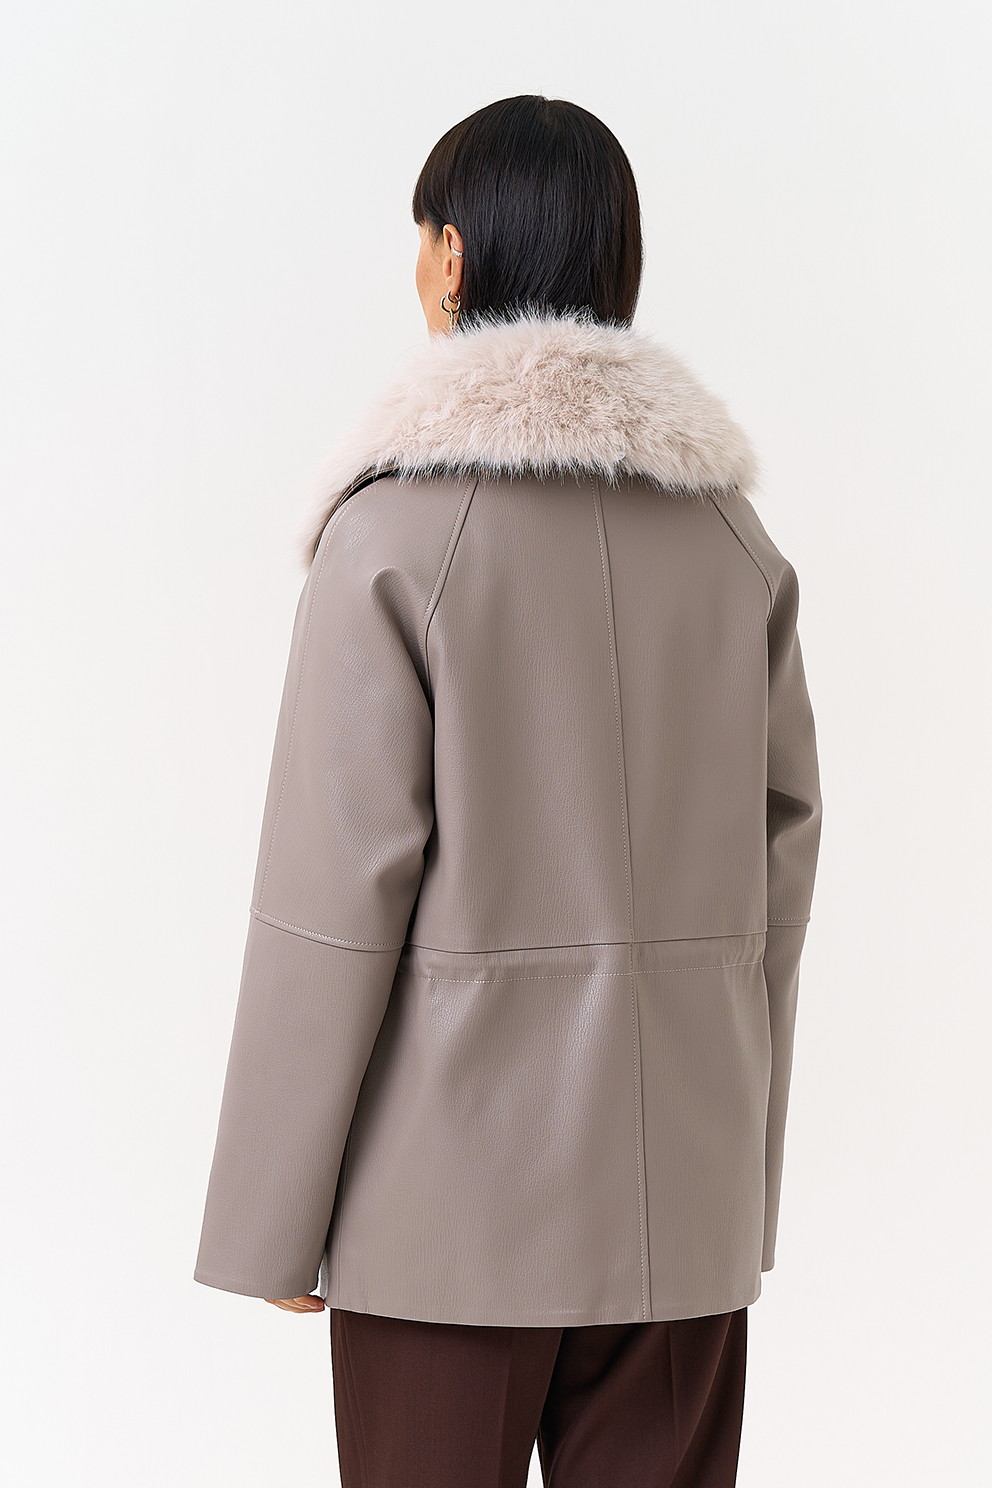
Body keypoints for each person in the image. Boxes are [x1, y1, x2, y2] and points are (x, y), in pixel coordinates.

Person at [194, 94, 822, 1487]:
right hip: (678, 1208)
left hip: (444, 1223)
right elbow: (782, 867)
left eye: (419, 240)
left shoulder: (393, 538)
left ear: (454, 258)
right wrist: (738, 1183)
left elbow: (333, 894)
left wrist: (273, 1215)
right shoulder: (731, 543)